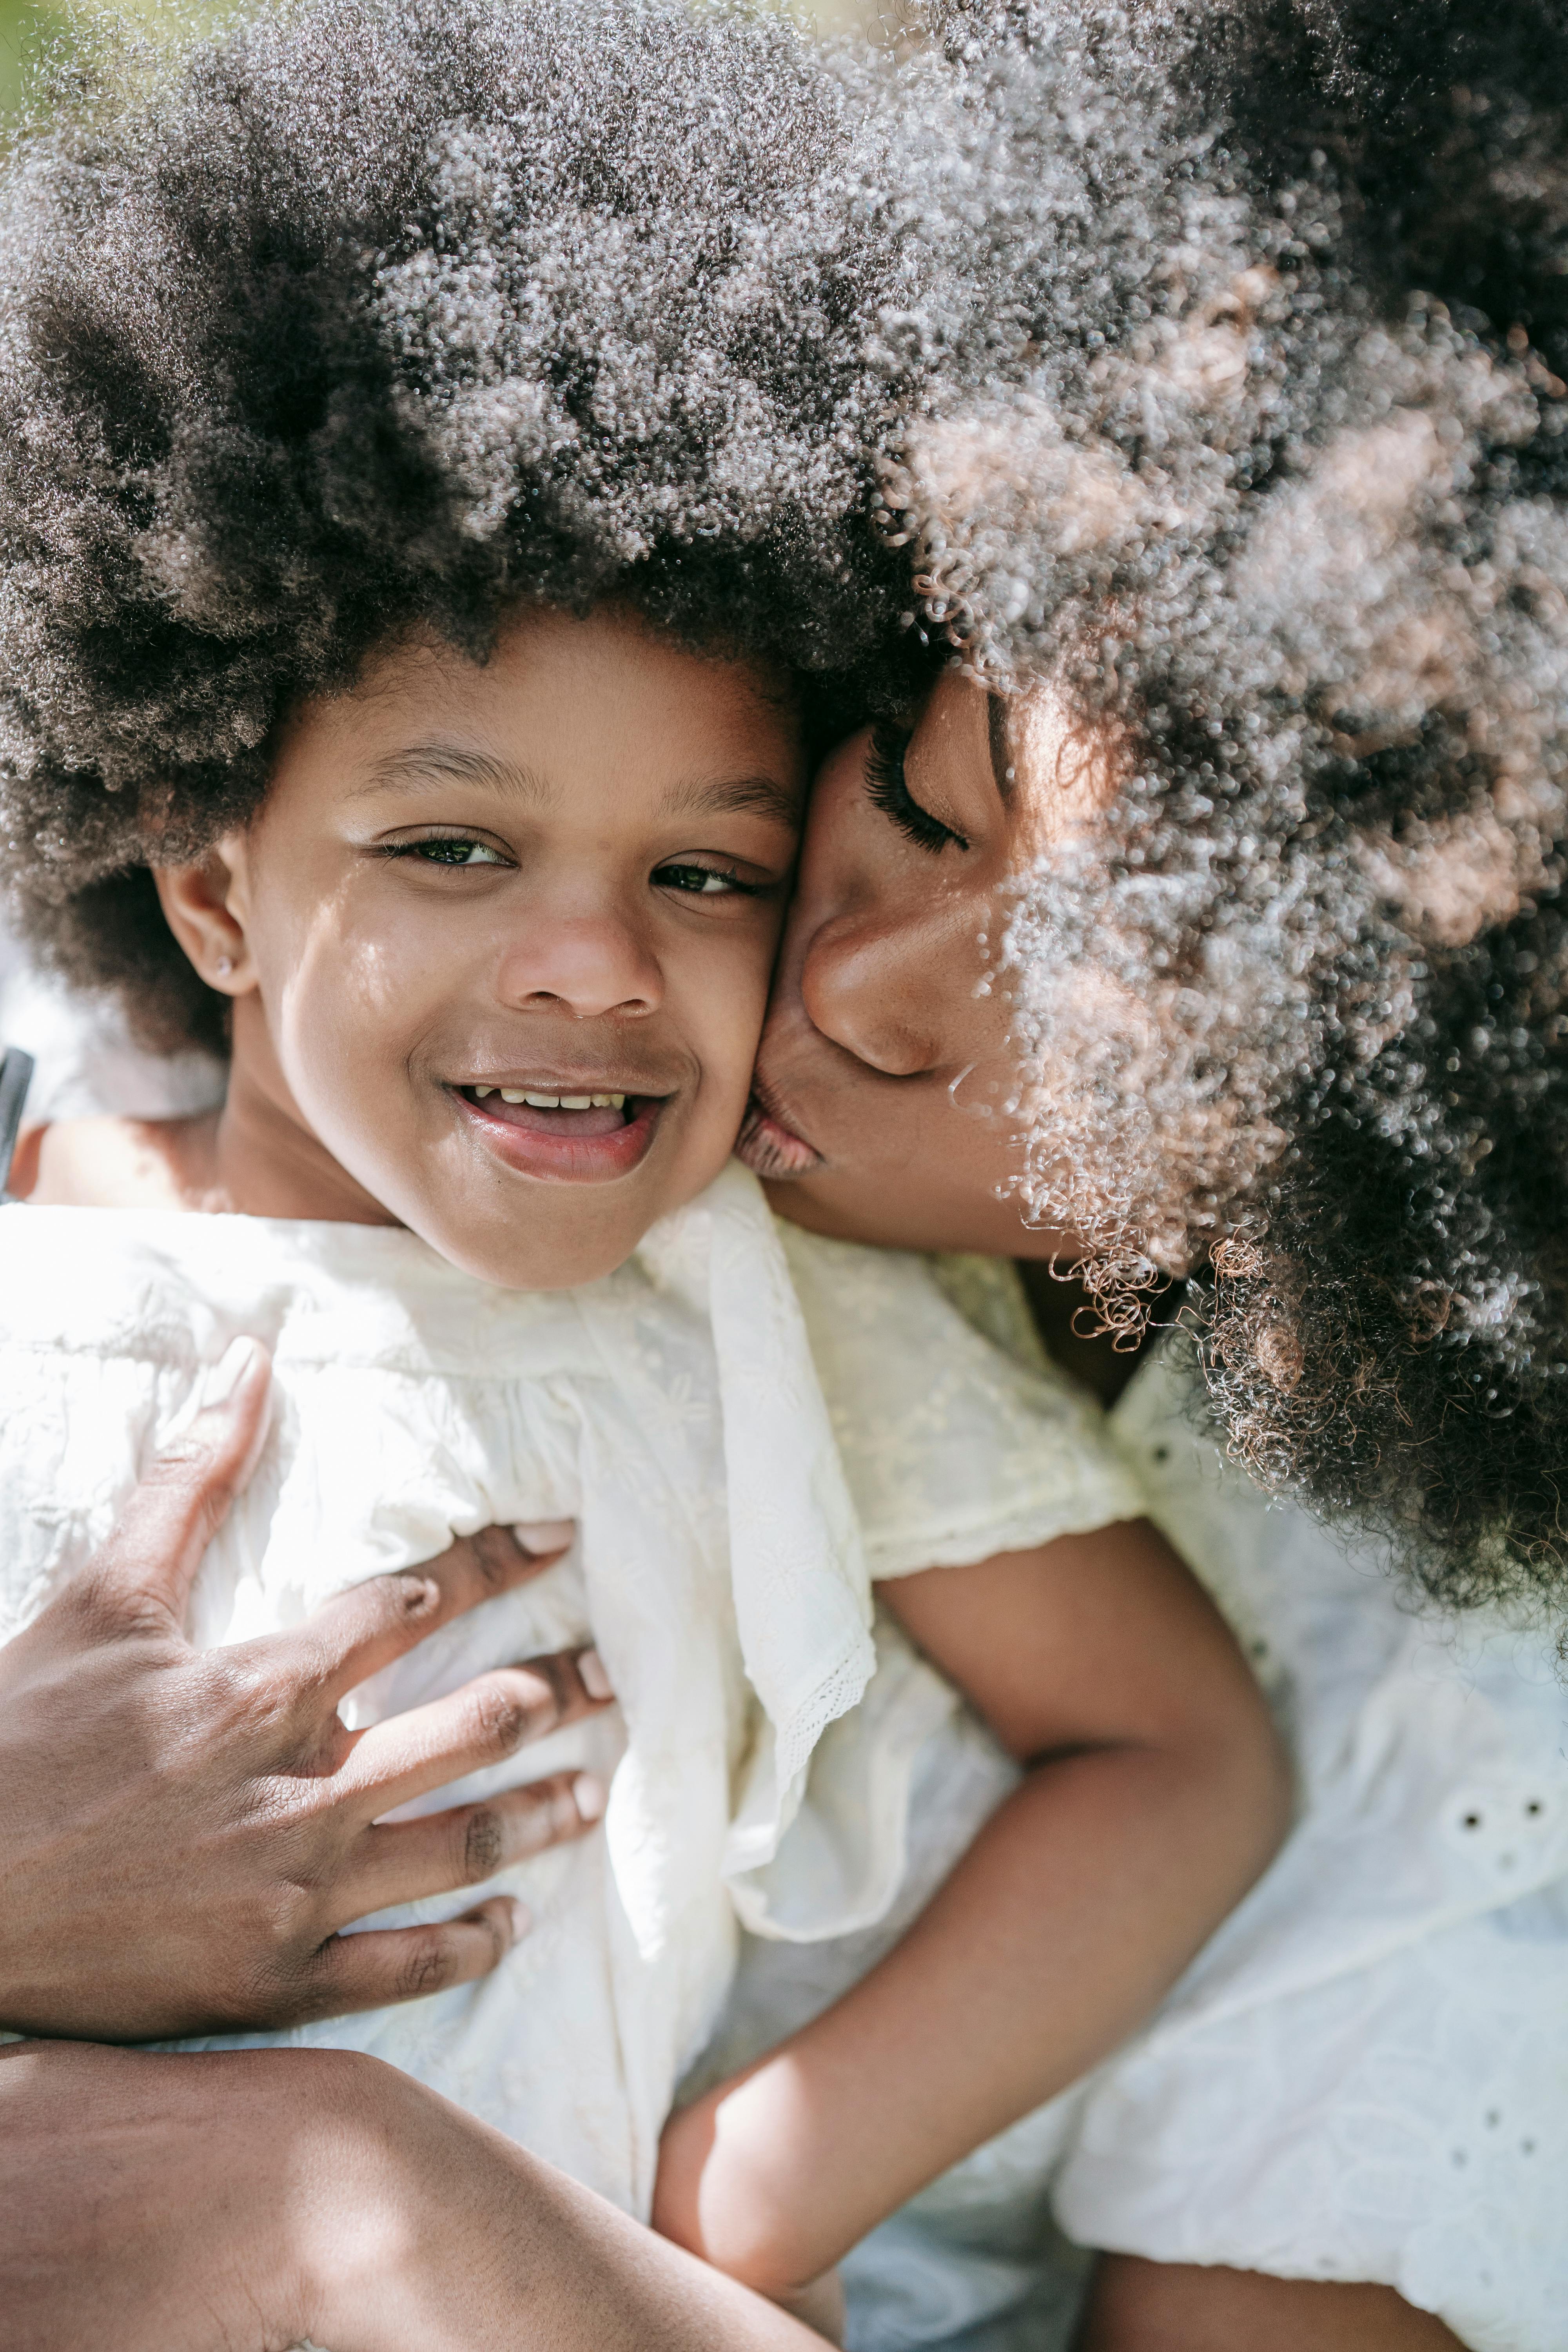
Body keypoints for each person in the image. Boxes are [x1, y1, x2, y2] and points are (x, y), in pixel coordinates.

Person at [2, 0, 1565, 2347]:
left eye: (1090, 1018)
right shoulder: (106, 1111)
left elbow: (1169, 1762)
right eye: (915, 806)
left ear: (1342, 1156)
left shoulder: (747, 1299)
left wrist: (582, 2237)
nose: (852, 990)